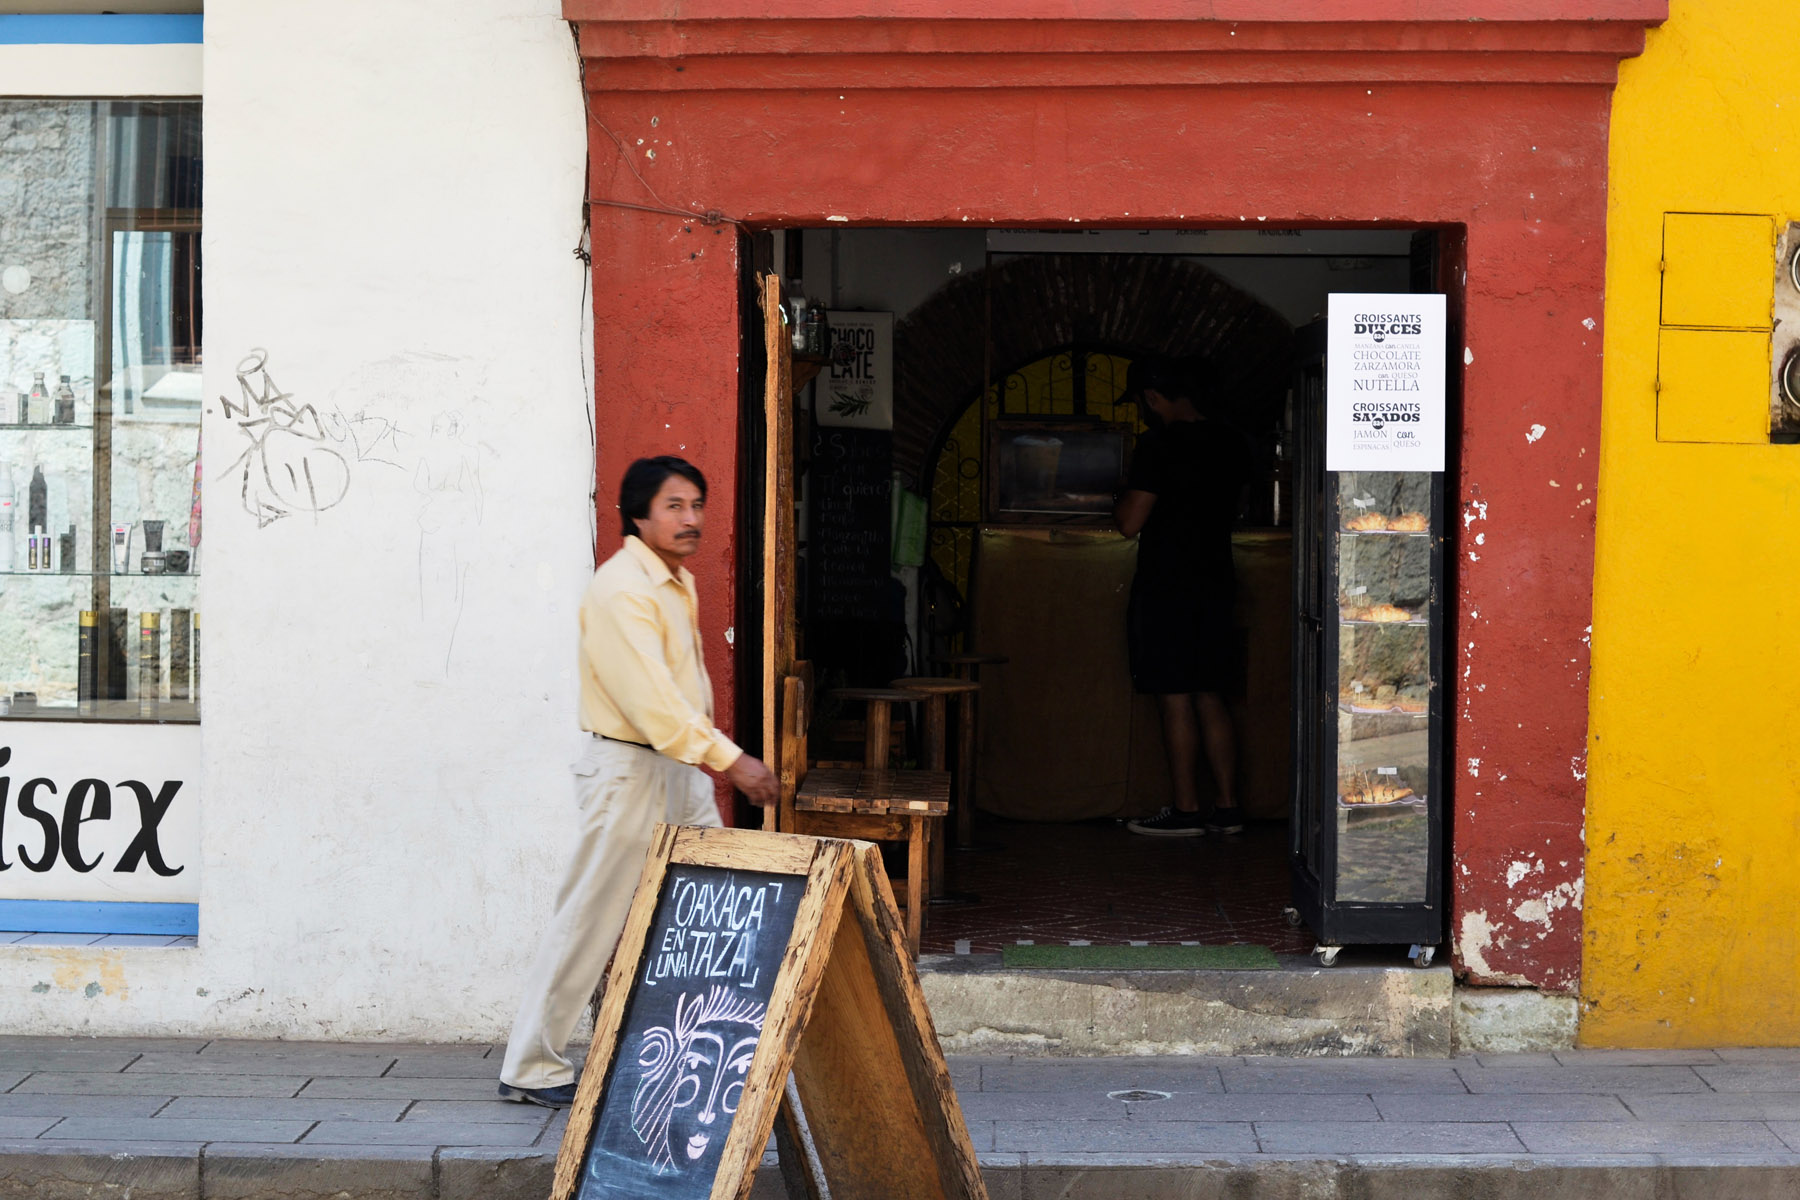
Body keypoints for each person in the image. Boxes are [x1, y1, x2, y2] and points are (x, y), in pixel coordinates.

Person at [498, 455, 779, 1108]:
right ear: (640, 514)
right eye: (675, 506)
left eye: (697, 506)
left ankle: (704, 1042)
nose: (691, 519)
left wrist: (707, 759)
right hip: (627, 768)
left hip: (675, 768)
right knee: (591, 916)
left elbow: (679, 700)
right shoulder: (622, 587)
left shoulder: (673, 582)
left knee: (716, 897)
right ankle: (532, 1064)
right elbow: (653, 702)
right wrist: (731, 760)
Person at [1114, 357, 1248, 837]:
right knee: (1210, 692)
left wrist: (1117, 498)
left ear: (1152, 398)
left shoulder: (1158, 445)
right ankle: (1229, 809)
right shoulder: (1231, 441)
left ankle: (1187, 810)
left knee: (1174, 696)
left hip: (1167, 584)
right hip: (1216, 580)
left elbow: (1130, 522)